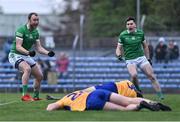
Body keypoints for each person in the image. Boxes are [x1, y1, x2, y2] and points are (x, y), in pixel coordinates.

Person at [8, 12, 55, 101]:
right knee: (27, 69)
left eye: (37, 20)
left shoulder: (36, 32)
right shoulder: (21, 30)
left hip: (26, 55)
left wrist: (48, 53)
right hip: (15, 54)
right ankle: (25, 95)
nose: (36, 22)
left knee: (40, 76)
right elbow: (18, 47)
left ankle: (36, 96)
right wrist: (28, 52)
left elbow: (39, 48)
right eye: (34, 20)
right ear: (29, 20)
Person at [115, 17, 164, 100]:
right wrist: (119, 55)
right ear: (126, 26)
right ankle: (138, 90)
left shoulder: (140, 33)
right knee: (134, 75)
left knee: (151, 76)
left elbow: (145, 47)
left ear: (135, 25)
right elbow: (118, 48)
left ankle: (160, 95)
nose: (129, 25)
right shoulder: (123, 35)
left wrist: (148, 59)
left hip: (141, 58)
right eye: (128, 24)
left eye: (131, 24)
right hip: (130, 59)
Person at [46, 89, 171, 112]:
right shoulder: (75, 92)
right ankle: (151, 102)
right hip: (97, 93)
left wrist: (54, 107)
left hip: (91, 102)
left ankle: (140, 106)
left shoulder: (63, 100)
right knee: (128, 100)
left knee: (123, 109)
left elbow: (51, 107)